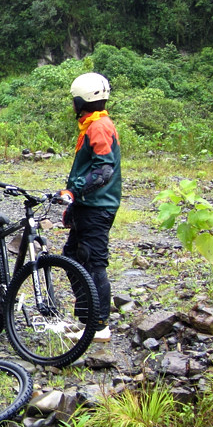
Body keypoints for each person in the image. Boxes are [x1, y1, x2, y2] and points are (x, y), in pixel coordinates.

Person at [58, 72, 120, 343]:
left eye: (74, 101)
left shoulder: (98, 127)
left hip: (98, 207)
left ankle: (99, 324)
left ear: (81, 102)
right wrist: (73, 206)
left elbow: (104, 169)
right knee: (71, 257)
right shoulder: (93, 124)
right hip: (89, 205)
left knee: (94, 264)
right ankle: (85, 318)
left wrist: (74, 190)